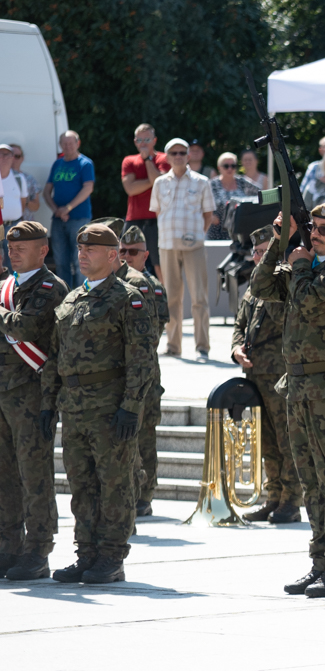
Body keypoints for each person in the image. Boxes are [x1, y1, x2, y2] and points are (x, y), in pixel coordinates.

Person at [249, 202, 325, 598]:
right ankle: (320, 564)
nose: (314, 234)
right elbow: (260, 288)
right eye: (312, 227)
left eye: (323, 229)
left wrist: (300, 264)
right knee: (312, 483)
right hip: (300, 386)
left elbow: (308, 301)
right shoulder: (303, 267)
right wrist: (278, 243)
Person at [42, 223, 157, 584]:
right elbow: (55, 357)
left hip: (109, 407)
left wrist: (131, 407)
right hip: (74, 407)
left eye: (90, 249)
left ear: (112, 255)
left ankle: (111, 556)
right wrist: (48, 404)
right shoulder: (71, 299)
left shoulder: (128, 298)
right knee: (81, 484)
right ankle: (86, 554)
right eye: (80, 249)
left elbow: (142, 359)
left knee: (115, 484)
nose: (82, 254)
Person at [0, 222, 68, 581]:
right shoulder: (5, 287)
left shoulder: (49, 287)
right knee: (5, 474)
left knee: (34, 474)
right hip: (3, 391)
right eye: (10, 247)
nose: (13, 253)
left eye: (21, 247)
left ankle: (38, 549)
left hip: (30, 393)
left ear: (42, 251)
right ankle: (8, 546)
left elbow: (23, 328)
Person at [231, 226, 302, 525]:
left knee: (286, 440)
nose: (258, 257)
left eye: (264, 252)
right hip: (254, 374)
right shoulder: (253, 287)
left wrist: (271, 281)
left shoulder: (285, 284)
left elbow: (284, 320)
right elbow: (239, 325)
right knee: (266, 442)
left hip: (279, 375)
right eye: (256, 252)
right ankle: (272, 496)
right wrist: (236, 348)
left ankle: (291, 501)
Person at [114, 225, 169, 517]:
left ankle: (145, 494)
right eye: (122, 251)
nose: (127, 256)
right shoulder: (114, 283)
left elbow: (152, 333)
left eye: (133, 252)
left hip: (145, 375)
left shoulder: (149, 286)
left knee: (145, 436)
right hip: (122, 374)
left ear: (145, 255)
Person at [149, 138, 216, 360]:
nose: (178, 156)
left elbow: (208, 215)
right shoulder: (159, 183)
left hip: (194, 245)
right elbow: (158, 212)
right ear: (167, 157)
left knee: (199, 297)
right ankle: (173, 345)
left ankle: (202, 347)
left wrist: (196, 235)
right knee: (171, 297)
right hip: (167, 245)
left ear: (188, 156)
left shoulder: (202, 181)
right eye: (173, 153)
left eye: (182, 152)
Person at [43, 131, 94, 290]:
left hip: (79, 218)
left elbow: (88, 188)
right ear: (60, 145)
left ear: (78, 143)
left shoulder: (85, 164)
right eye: (64, 143)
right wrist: (57, 210)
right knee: (60, 261)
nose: (68, 146)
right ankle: (64, 294)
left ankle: (81, 294)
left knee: (80, 260)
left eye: (71, 143)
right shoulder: (57, 164)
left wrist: (68, 208)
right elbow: (46, 191)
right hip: (58, 219)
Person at [121, 123, 170, 280]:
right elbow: (130, 189)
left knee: (159, 263)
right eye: (139, 140)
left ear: (154, 141)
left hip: (157, 219)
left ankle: (164, 294)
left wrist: (148, 160)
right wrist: (154, 181)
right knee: (128, 259)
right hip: (134, 219)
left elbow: (160, 184)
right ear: (135, 142)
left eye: (147, 139)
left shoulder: (163, 158)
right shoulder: (129, 161)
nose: (143, 143)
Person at [208, 152, 262, 240]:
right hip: (216, 232)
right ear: (219, 168)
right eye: (226, 166)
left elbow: (260, 194)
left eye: (233, 166)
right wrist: (209, 217)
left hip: (240, 231)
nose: (230, 169)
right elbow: (198, 201)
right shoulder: (211, 185)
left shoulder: (242, 182)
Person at [0, 144, 27, 271]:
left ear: (12, 158)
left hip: (14, 226)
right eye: (1, 154)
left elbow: (23, 203)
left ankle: (13, 284)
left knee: (14, 260)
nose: (4, 158)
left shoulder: (19, 178)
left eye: (7, 155)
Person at [9, 145, 40, 221]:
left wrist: (23, 200)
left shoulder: (30, 179)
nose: (13, 159)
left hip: (25, 223)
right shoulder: (1, 178)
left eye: (17, 156)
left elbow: (36, 206)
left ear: (22, 158)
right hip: (5, 224)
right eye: (10, 155)